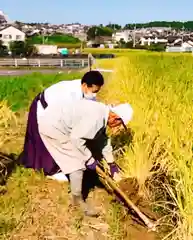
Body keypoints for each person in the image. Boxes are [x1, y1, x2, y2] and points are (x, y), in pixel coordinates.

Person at [21, 96, 133, 217]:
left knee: (85, 150)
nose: (118, 127)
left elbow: (102, 140)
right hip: (53, 126)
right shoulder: (96, 118)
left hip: (56, 119)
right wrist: (89, 159)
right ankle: (77, 202)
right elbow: (76, 139)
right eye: (120, 124)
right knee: (76, 163)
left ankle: (81, 183)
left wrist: (111, 164)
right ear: (115, 118)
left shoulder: (102, 113)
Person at [19, 70, 104, 178]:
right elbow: (62, 120)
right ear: (84, 85)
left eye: (97, 91)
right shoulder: (69, 95)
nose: (95, 94)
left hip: (58, 114)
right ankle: (51, 171)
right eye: (94, 91)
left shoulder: (86, 91)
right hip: (45, 110)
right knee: (49, 140)